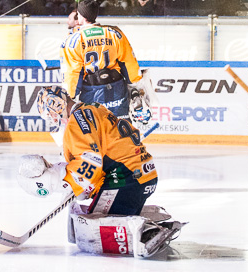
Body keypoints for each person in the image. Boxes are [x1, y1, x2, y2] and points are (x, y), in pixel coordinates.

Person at [17, 87, 179, 258]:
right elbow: (100, 160)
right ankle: (144, 222)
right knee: (89, 221)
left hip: (126, 178)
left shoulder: (76, 122)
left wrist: (64, 182)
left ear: (55, 104)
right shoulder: (91, 109)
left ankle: (147, 232)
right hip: (139, 175)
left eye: (50, 114)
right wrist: (79, 186)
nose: (53, 119)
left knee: (95, 230)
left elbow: (90, 162)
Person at [59, 0, 151, 125]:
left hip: (91, 93)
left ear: (82, 16)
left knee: (94, 132)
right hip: (117, 91)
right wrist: (136, 87)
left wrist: (69, 97)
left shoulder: (74, 40)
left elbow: (73, 73)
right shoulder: (114, 33)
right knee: (121, 130)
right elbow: (128, 63)